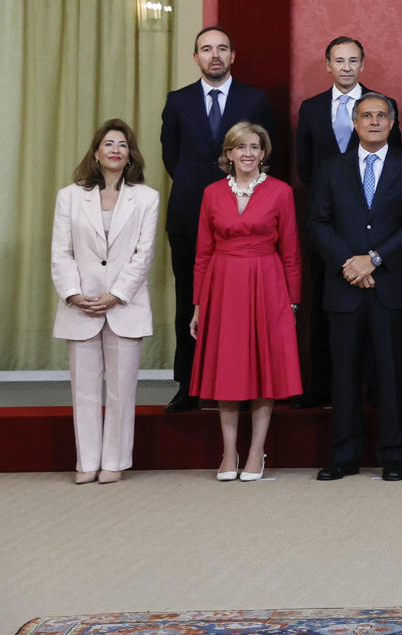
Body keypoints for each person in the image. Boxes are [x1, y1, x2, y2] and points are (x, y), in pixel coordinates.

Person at [309, 93, 402, 481]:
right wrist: (351, 263)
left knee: (392, 372)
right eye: (366, 116)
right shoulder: (330, 169)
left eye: (381, 116)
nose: (374, 121)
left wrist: (373, 259)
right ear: (355, 123)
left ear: (392, 124)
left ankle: (393, 455)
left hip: (389, 283)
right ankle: (344, 455)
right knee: (344, 374)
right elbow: (319, 223)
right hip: (344, 285)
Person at [158, 25, 274, 413]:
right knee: (189, 298)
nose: (215, 56)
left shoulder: (254, 99)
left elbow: (267, 155)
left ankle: (240, 383)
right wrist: (200, 188)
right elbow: (171, 157)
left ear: (232, 56)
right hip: (190, 211)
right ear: (196, 58)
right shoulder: (178, 101)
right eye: (206, 49)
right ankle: (188, 384)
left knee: (240, 302)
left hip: (244, 214)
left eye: (222, 48)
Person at [188, 122, 302, 482]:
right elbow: (202, 253)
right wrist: (198, 304)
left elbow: (292, 253)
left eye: (255, 147)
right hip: (222, 287)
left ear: (264, 153)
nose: (248, 154)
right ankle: (228, 452)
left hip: (268, 285)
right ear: (229, 154)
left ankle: (256, 452)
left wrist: (293, 303)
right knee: (229, 368)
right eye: (241, 147)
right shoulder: (211, 193)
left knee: (263, 368)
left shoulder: (281, 192)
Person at [51, 120, 160, 484]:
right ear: (96, 153)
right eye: (108, 143)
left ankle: (114, 460)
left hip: (124, 305)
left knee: (121, 389)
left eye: (123, 145)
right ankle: (87, 461)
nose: (115, 149)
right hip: (79, 304)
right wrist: (73, 293)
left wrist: (116, 294)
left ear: (131, 156)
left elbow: (143, 255)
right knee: (82, 388)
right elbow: (61, 252)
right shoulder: (69, 196)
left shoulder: (146, 197)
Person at [294, 36, 398, 408]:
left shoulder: (383, 107)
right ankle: (323, 388)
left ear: (362, 65)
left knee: (376, 317)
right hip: (327, 228)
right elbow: (304, 165)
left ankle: (372, 391)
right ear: (328, 66)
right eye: (339, 61)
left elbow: (393, 170)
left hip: (376, 233)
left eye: (353, 60)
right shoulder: (310, 109)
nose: (346, 67)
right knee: (328, 309)